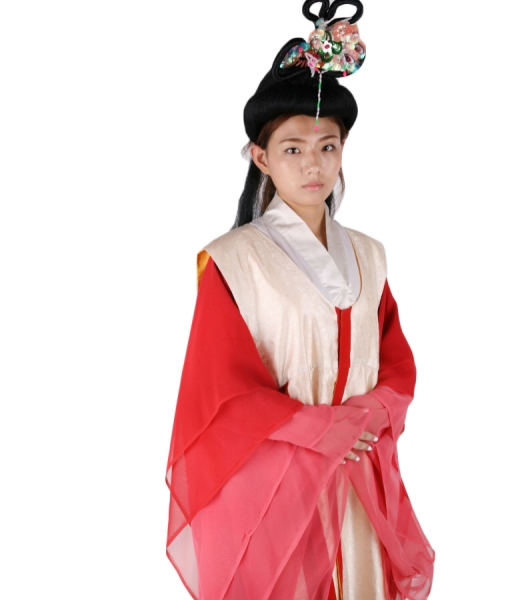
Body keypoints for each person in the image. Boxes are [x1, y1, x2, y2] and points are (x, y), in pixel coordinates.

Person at [165, 1, 435, 598]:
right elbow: (219, 391)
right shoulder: (233, 262)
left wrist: (370, 412)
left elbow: (395, 359)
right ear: (261, 157)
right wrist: (314, 426)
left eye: (327, 147)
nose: (313, 165)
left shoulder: (369, 254)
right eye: (292, 149)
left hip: (359, 475)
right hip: (278, 482)